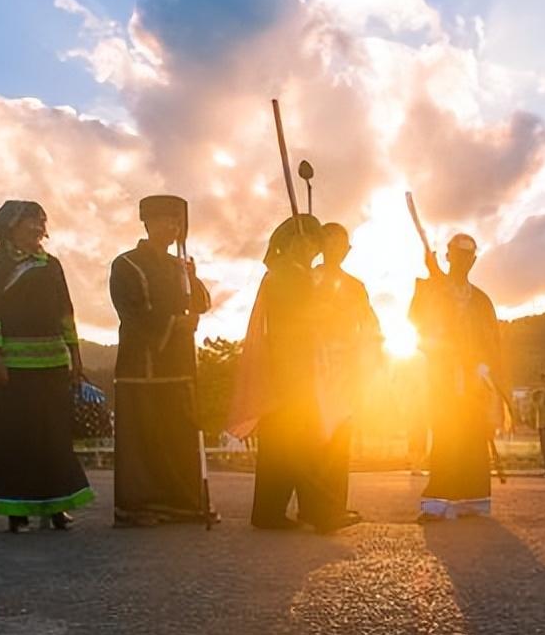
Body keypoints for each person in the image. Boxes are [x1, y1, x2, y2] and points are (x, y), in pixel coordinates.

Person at [0, 201, 94, 533]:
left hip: (52, 361)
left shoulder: (51, 264)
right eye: (32, 220)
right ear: (12, 225)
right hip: (13, 365)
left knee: (54, 436)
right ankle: (17, 510)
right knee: (17, 436)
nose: (39, 226)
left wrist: (76, 355)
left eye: (42, 221)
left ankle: (58, 505)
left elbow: (65, 313)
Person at [109, 195, 213, 527]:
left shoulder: (178, 266)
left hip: (179, 365)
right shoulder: (126, 264)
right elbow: (132, 312)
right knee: (143, 437)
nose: (173, 227)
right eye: (166, 220)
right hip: (142, 365)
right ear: (148, 223)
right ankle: (137, 506)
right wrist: (173, 323)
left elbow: (202, 303)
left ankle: (182, 502)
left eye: (177, 222)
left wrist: (191, 277)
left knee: (178, 432)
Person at [228, 214, 327, 530]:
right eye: (313, 243)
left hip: (288, 367)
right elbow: (300, 321)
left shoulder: (287, 273)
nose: (316, 250)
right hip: (291, 368)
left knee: (283, 443)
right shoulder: (289, 276)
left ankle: (271, 512)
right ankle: (313, 510)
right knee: (297, 441)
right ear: (299, 242)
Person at [409, 233, 504, 521]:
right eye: (456, 254)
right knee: (446, 433)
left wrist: (488, 371)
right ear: (447, 255)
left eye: (468, 256)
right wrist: (434, 278)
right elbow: (417, 319)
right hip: (444, 374)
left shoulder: (481, 300)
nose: (462, 260)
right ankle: (438, 503)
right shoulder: (430, 288)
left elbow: (493, 341)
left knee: (474, 435)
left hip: (476, 378)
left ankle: (473, 500)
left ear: (473, 260)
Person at [310, 221, 382, 530]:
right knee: (314, 440)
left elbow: (368, 327)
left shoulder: (355, 286)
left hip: (345, 371)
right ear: (320, 245)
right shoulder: (307, 280)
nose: (335, 250)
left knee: (339, 440)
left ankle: (334, 506)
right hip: (312, 369)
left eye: (341, 245)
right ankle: (314, 508)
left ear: (348, 250)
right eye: (329, 243)